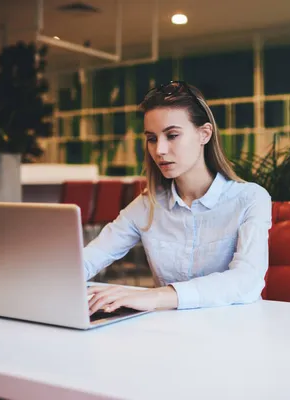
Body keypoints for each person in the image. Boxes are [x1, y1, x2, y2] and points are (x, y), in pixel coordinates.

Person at [85, 81, 272, 315]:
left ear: (204, 134)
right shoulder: (147, 205)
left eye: (172, 135)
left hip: (232, 334)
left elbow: (246, 281)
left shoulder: (250, 198)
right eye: (152, 139)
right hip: (167, 334)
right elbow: (90, 258)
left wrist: (155, 296)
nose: (159, 150)